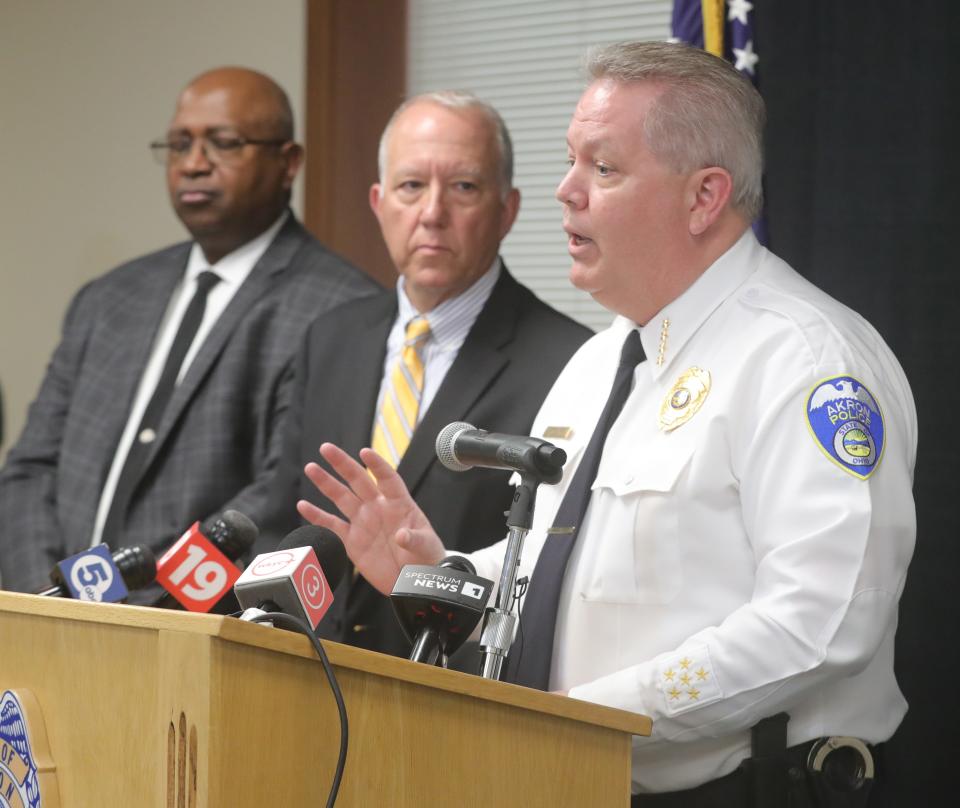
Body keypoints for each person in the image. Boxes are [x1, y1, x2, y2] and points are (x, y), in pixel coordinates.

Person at [296, 42, 917, 805]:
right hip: (578, 780)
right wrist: (443, 574)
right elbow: (569, 576)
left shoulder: (807, 359)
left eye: (603, 168)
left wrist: (589, 720)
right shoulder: (598, 363)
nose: (565, 191)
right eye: (569, 162)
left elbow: (821, 623)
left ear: (704, 197)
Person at [0, 67, 379, 596]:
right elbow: (30, 468)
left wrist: (141, 615)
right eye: (179, 144)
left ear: (288, 163)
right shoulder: (108, 298)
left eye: (223, 143)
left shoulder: (342, 309)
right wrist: (45, 603)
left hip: (188, 641)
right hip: (52, 630)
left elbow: (277, 500)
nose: (194, 164)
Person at [263, 91, 590, 660]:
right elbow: (281, 514)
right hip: (311, 686)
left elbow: (548, 579)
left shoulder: (570, 361)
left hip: (453, 696)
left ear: (507, 209)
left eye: (463, 187)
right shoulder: (330, 338)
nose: (432, 213)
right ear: (378, 201)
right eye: (411, 186)